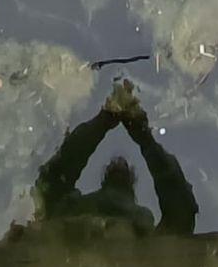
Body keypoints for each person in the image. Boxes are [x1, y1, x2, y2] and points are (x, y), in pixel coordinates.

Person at [28, 79, 198, 238]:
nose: (120, 162)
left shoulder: (68, 211)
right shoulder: (149, 235)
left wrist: (104, 121)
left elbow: (51, 183)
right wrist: (144, 139)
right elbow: (181, 212)